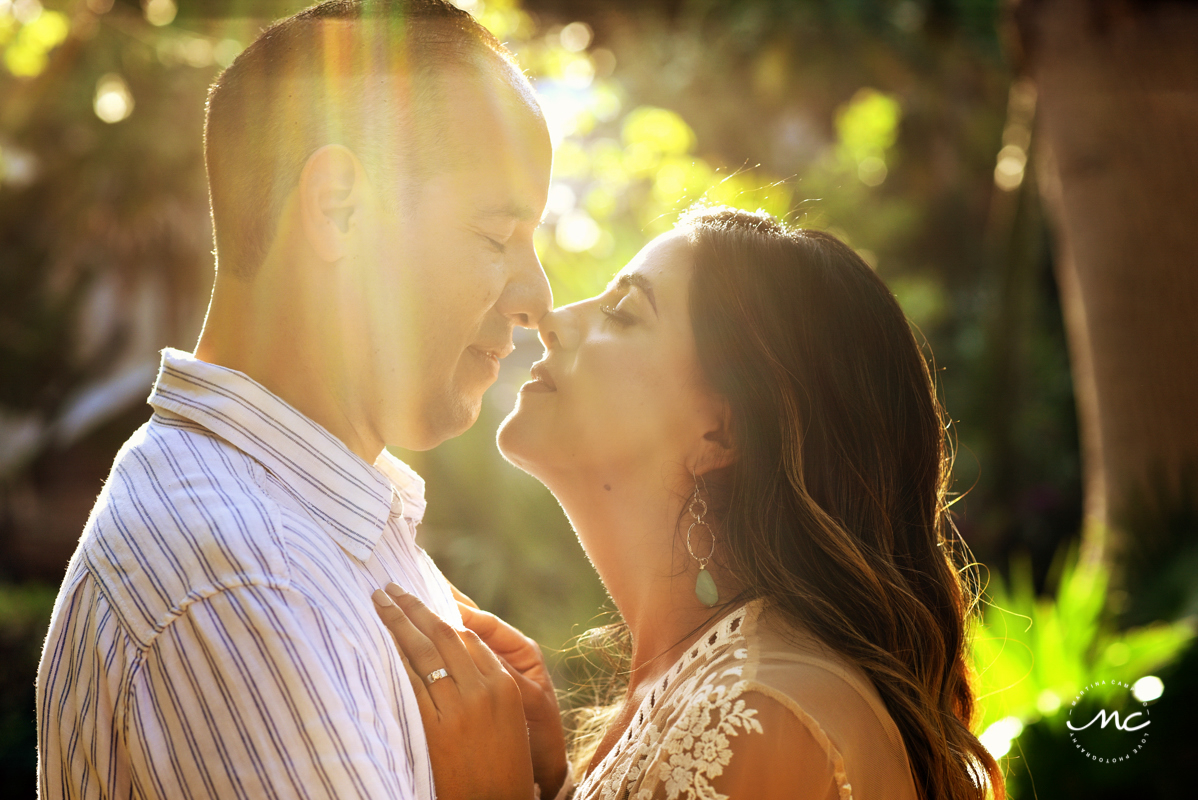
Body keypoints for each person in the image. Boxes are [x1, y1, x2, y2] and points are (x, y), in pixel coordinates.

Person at [35, 1, 560, 798]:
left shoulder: (328, 526)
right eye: (496, 236)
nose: (536, 299)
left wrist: (542, 778)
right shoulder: (247, 587)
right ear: (338, 208)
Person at [371, 206, 1006, 799]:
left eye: (624, 313)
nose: (554, 320)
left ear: (721, 433)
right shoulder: (707, 686)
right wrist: (552, 779)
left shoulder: (758, 713)